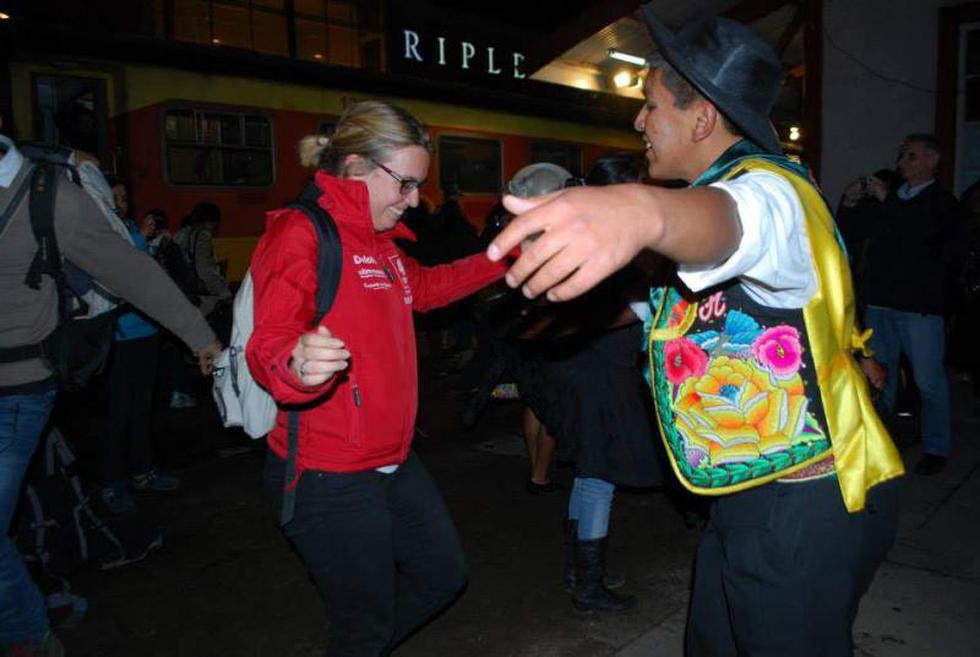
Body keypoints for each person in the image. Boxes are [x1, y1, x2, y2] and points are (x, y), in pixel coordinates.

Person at [487, 10, 904, 656]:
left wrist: (640, 209)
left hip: (805, 504)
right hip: (745, 497)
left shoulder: (768, 194)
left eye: (649, 105)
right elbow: (678, 299)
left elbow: (731, 225)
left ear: (702, 119)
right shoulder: (714, 195)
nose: (638, 122)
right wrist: (581, 305)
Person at [246, 100, 512, 657]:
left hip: (390, 460)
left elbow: (428, 289)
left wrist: (505, 258)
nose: (414, 200)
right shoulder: (301, 233)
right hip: (327, 476)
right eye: (406, 184)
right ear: (357, 167)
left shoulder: (378, 242)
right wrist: (297, 367)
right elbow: (269, 343)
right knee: (364, 624)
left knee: (442, 575)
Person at [0, 133, 220, 657]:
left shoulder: (51, 196)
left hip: (17, 391)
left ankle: (26, 636)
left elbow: (132, 271)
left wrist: (201, 337)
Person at [540, 153, 660, 613]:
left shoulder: (586, 229)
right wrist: (648, 308)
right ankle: (587, 586)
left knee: (590, 472)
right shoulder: (599, 236)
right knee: (599, 477)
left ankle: (579, 571)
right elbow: (589, 310)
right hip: (596, 373)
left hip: (585, 369)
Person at [838, 134, 962, 475]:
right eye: (902, 156)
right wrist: (849, 203)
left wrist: (887, 199)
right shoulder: (892, 202)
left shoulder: (941, 203)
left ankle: (937, 448)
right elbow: (851, 232)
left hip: (919, 308)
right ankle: (882, 440)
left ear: (931, 161)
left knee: (928, 381)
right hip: (881, 304)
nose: (901, 163)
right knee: (879, 378)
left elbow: (920, 237)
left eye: (910, 157)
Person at [98, 182, 183, 513]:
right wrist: (143, 240)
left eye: (124, 196)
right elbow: (121, 267)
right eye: (115, 197)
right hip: (118, 337)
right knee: (118, 413)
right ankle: (111, 483)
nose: (121, 202)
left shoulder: (131, 229)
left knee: (141, 409)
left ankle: (143, 471)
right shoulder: (102, 230)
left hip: (145, 332)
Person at [173, 201, 233, 317]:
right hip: (200, 298)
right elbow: (204, 270)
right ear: (212, 221)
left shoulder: (182, 233)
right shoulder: (202, 237)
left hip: (181, 291)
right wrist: (225, 294)